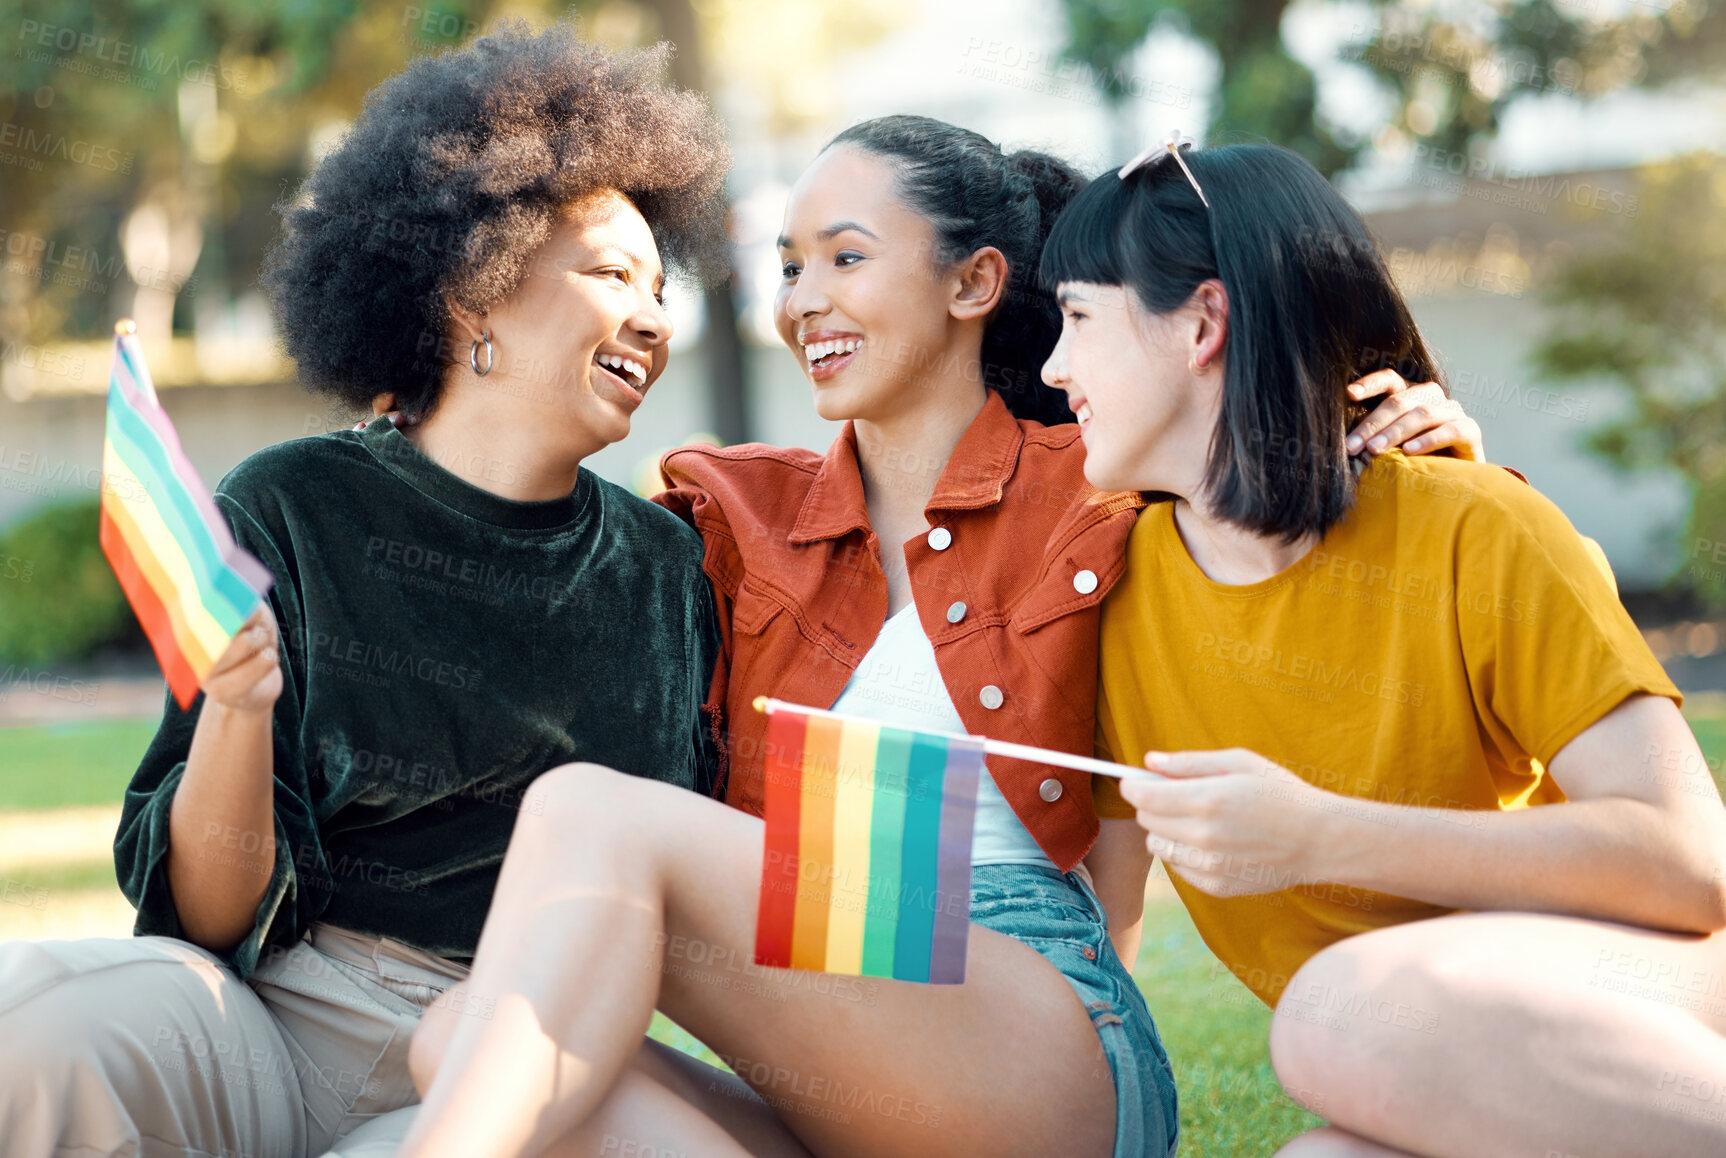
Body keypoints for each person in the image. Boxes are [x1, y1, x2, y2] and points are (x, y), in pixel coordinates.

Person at [395, 117, 1485, 1158]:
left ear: (973, 283)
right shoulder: (737, 516)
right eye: (788, 268)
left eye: (845, 258)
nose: (802, 302)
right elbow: (540, 555)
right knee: (458, 1041)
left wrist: (1432, 463)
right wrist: (458, 405)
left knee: (591, 818)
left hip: (1031, 1023)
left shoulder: (1101, 488)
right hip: (837, 1026)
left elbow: (1316, 548)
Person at [0, 24, 758, 1158]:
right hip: (273, 1013)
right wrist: (239, 713)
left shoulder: (665, 571)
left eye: (661, 289)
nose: (653, 319)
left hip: (511, 1046)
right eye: (612, 276)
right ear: (473, 296)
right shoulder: (295, 503)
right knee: (41, 1021)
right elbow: (209, 924)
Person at [1041, 138, 1726, 1157]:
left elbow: (1690, 865)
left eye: (1078, 317)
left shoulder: (1472, 525)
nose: (1053, 367)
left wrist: (1316, 832)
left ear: (1200, 322)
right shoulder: (1111, 601)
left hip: (1646, 982)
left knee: (1338, 1012)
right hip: (1405, 1057)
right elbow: (1110, 950)